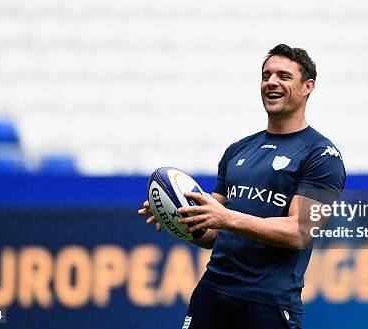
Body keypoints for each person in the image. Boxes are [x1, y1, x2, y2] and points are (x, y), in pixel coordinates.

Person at [138, 44, 345, 329]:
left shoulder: (322, 155)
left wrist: (228, 218)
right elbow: (211, 233)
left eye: (284, 76)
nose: (271, 82)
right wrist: (178, 216)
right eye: (266, 75)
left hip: (267, 304)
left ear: (308, 86)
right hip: (212, 295)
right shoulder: (238, 150)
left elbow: (299, 232)